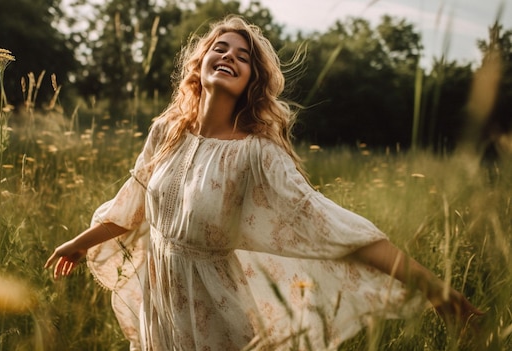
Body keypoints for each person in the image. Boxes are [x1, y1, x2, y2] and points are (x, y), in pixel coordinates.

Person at [45, 15, 482, 350]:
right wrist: (80, 242)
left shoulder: (257, 153)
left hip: (216, 313)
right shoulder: (167, 131)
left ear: (254, 79)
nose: (230, 57)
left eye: (243, 56)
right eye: (221, 48)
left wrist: (437, 291)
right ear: (200, 65)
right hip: (161, 303)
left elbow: (336, 228)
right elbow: (133, 202)